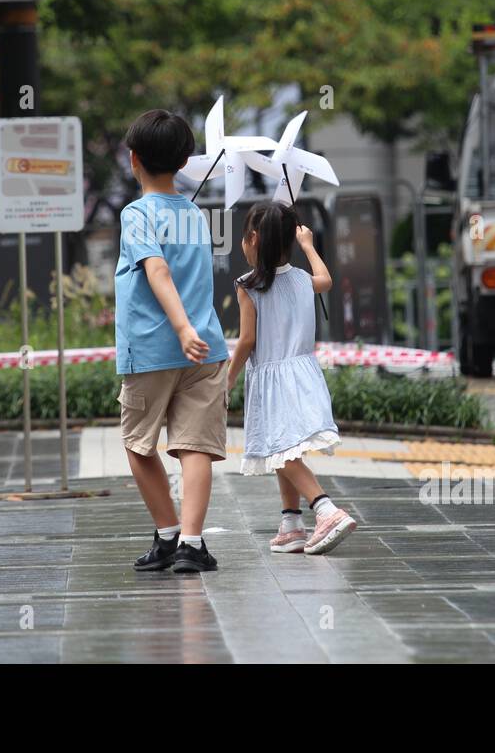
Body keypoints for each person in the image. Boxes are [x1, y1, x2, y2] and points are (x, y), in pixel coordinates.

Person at [115, 109, 229, 573]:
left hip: (152, 349)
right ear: (184, 163)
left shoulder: (136, 213)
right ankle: (191, 542)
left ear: (133, 159)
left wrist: (179, 327)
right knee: (195, 447)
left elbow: (156, 269)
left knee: (138, 445)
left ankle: (167, 533)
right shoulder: (197, 216)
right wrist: (193, 330)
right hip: (207, 349)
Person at [226, 201, 356, 555]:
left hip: (272, 379)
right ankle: (291, 523)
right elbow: (326, 280)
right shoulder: (302, 279)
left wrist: (228, 378)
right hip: (302, 373)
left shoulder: (247, 285)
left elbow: (248, 340)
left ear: (252, 239)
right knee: (284, 448)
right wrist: (309, 246)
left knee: (282, 451)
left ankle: (325, 509)